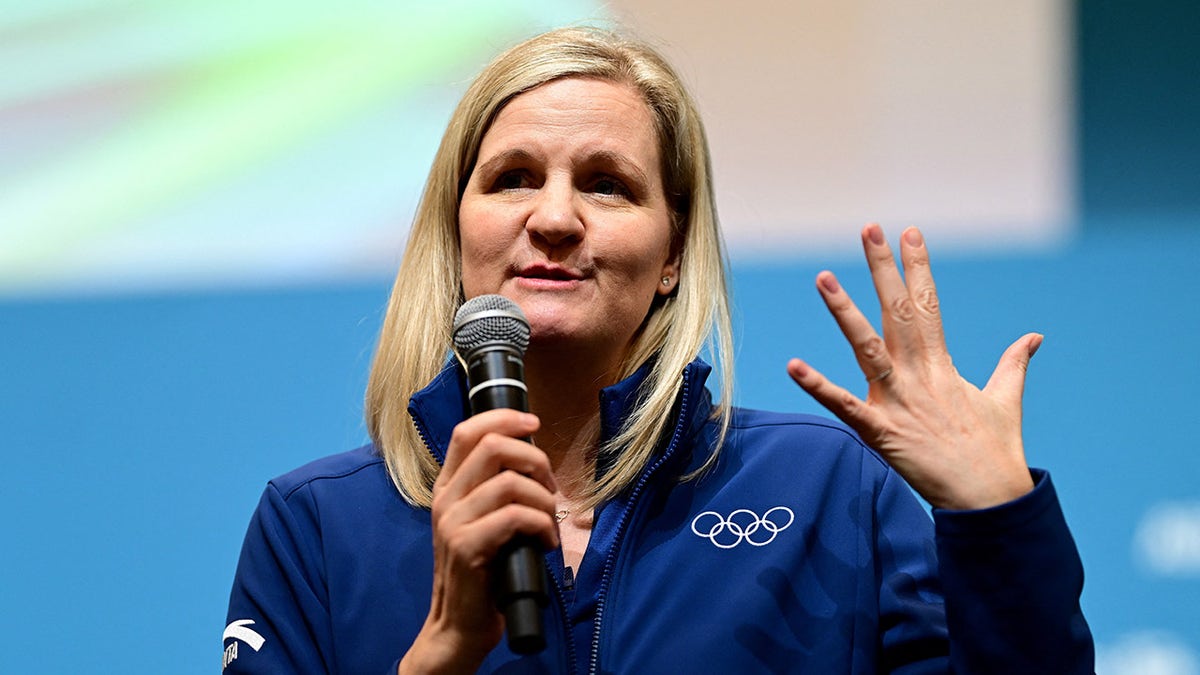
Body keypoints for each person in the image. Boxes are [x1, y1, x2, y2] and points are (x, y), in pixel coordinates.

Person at [224, 26, 1094, 674]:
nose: (555, 218)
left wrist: (996, 524)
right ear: (457, 235)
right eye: (513, 178)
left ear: (672, 254)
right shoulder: (315, 526)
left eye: (607, 184)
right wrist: (444, 649)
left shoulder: (825, 488)